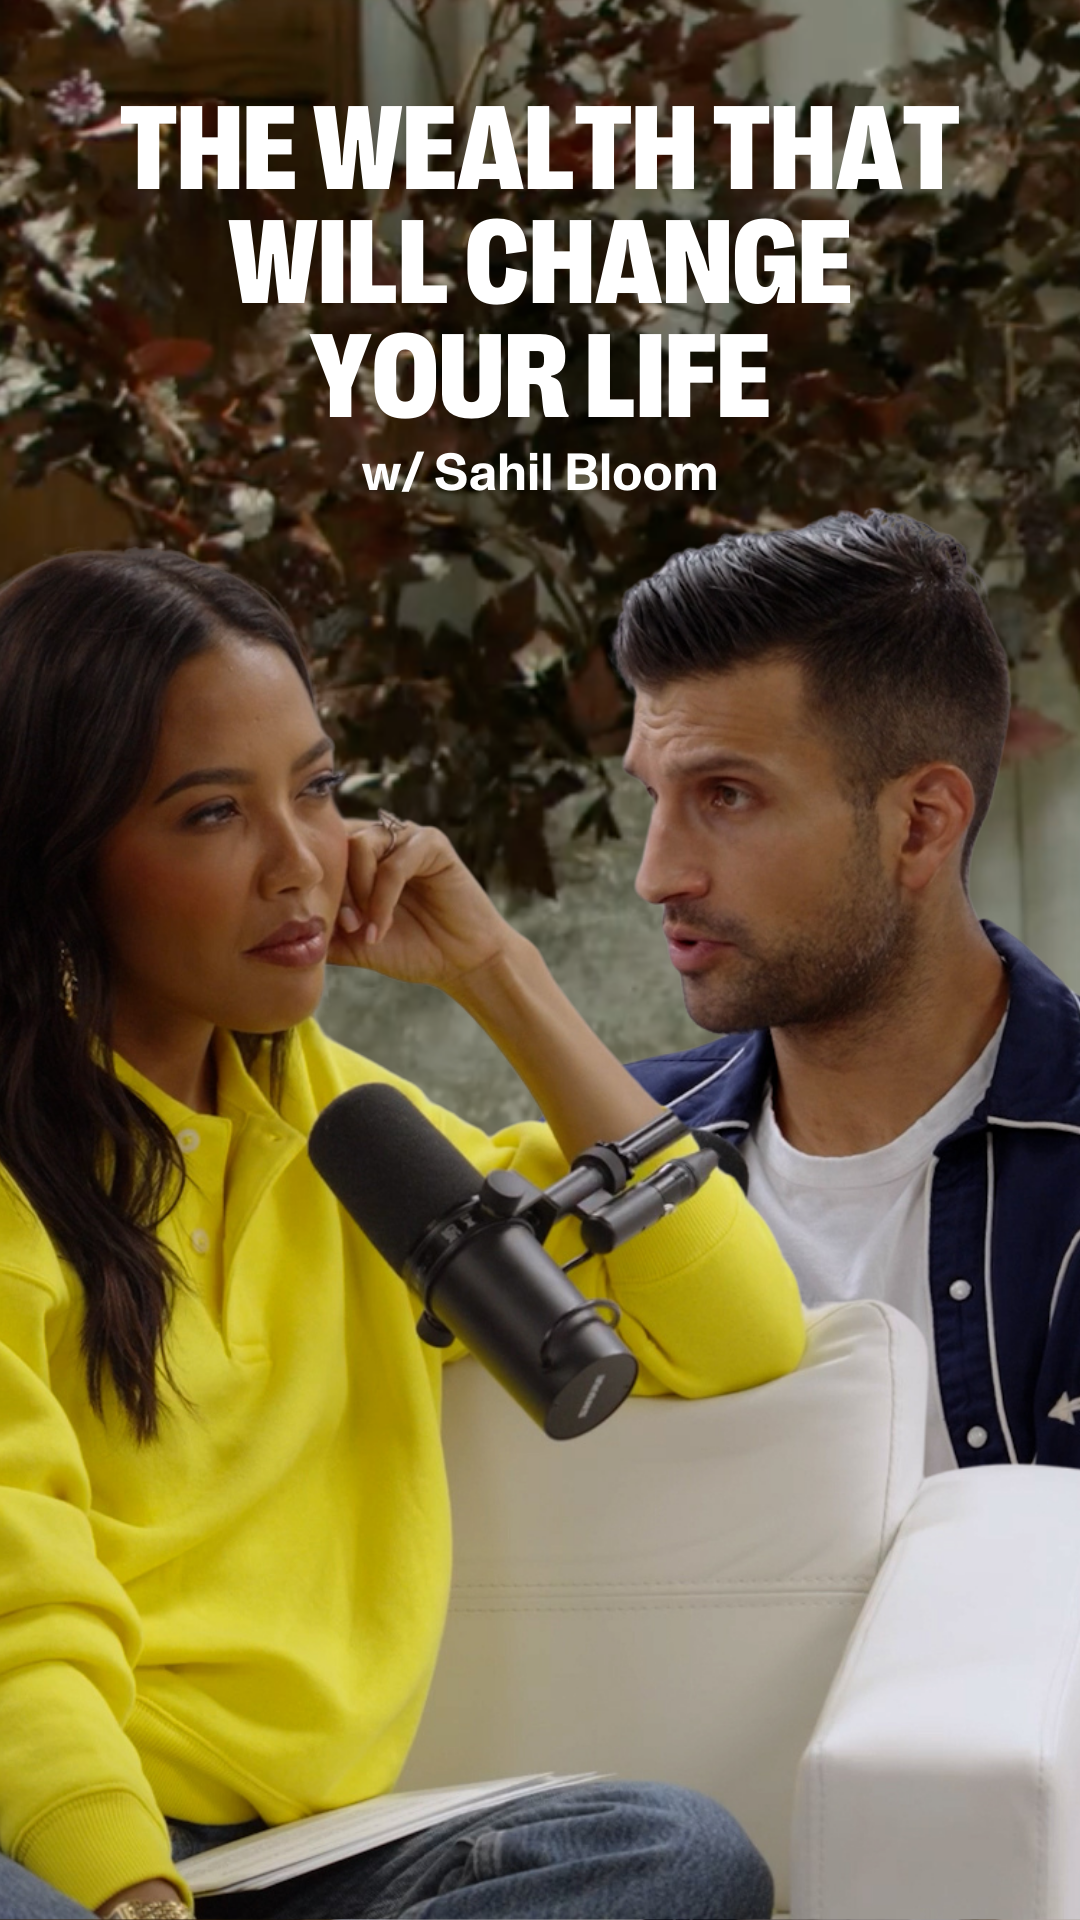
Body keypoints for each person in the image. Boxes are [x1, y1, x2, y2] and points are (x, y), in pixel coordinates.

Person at [0, 549, 804, 1920]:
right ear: (61, 854)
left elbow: (738, 1332)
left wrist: (500, 971)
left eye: (318, 789)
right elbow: (16, 1613)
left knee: (674, 1855)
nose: (301, 863)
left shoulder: (356, 1136)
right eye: (213, 813)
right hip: (53, 1843)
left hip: (284, 1861)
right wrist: (121, 1885)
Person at [619, 508, 1080, 1475]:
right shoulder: (625, 1153)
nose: (657, 876)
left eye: (727, 795)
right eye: (653, 797)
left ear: (920, 825)